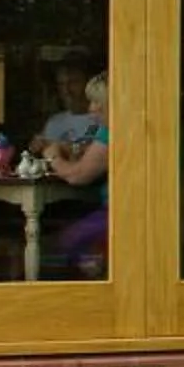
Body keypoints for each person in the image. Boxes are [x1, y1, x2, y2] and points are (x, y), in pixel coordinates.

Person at [45, 73, 112, 277]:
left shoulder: (113, 131)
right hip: (141, 212)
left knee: (61, 243)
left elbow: (77, 175)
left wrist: (53, 156)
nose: (91, 108)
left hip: (123, 217)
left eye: (96, 101)